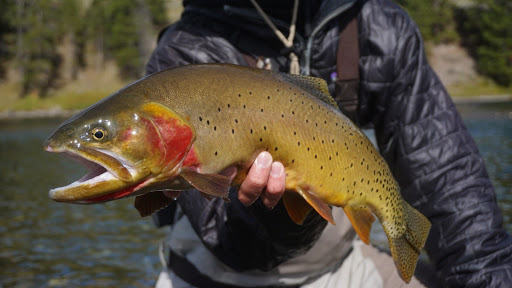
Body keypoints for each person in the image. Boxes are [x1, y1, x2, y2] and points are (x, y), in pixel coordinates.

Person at [146, 0, 512, 287]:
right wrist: (281, 212)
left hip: (345, 267)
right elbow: (234, 245)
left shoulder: (379, 27)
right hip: (209, 277)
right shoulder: (183, 53)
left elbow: (449, 180)